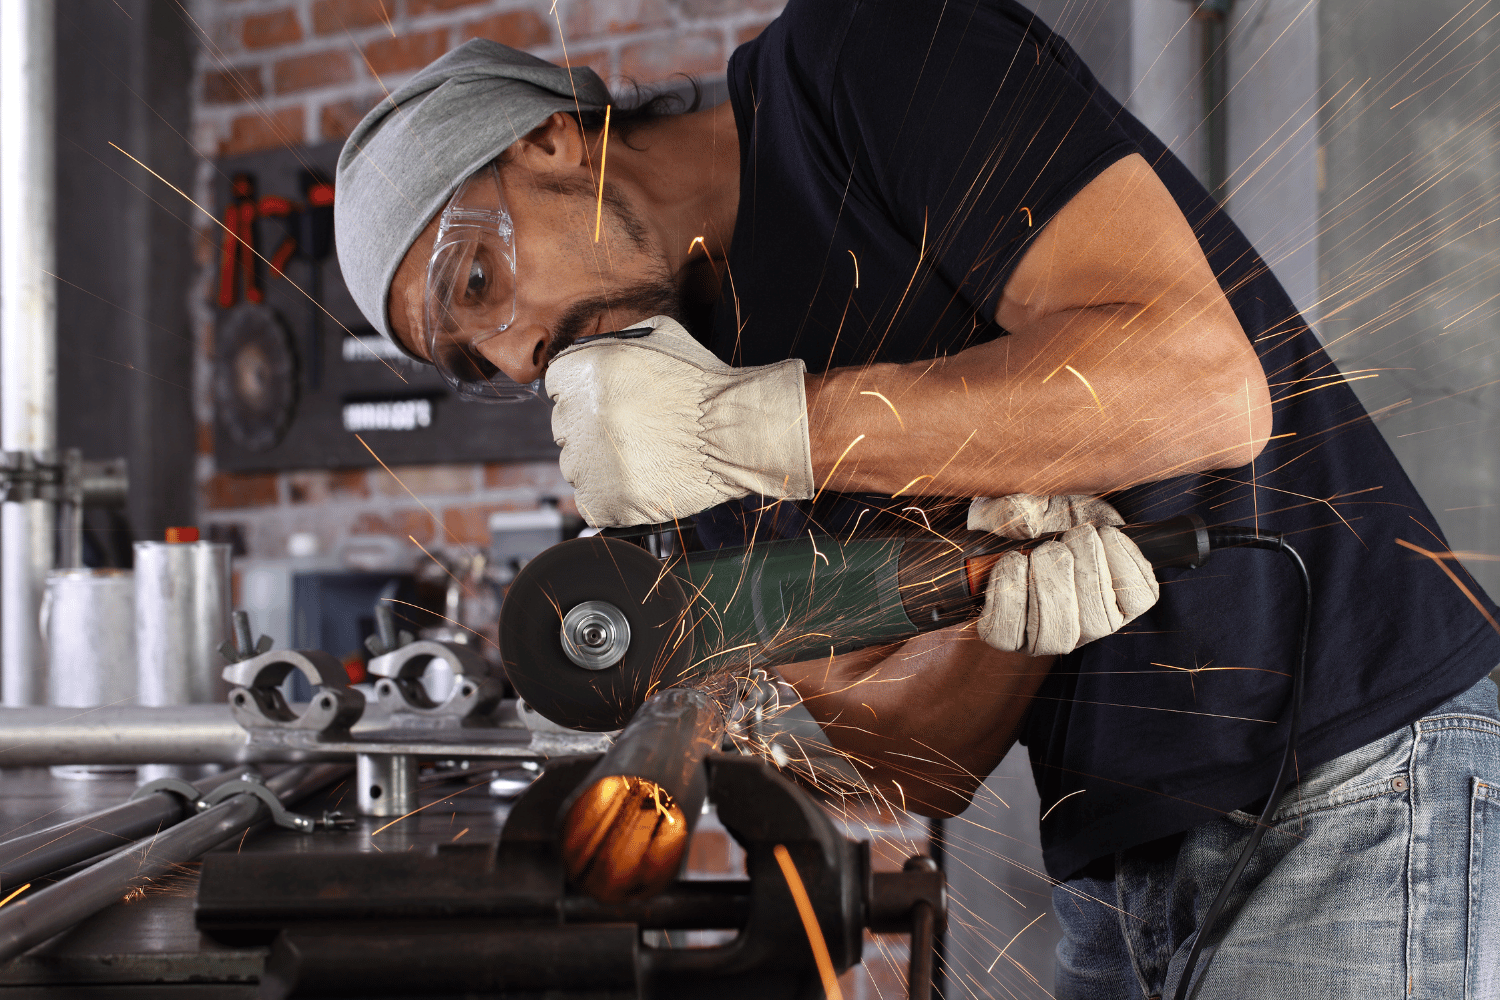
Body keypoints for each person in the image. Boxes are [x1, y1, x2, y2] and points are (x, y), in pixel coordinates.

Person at [333, 1, 1500, 996]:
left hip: (1349, 775)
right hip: (1121, 862)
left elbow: (1204, 388)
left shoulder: (865, 54)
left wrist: (754, 430)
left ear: (546, 138)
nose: (521, 352)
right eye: (474, 361)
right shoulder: (652, 418)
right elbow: (908, 765)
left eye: (477, 280)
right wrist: (1004, 619)